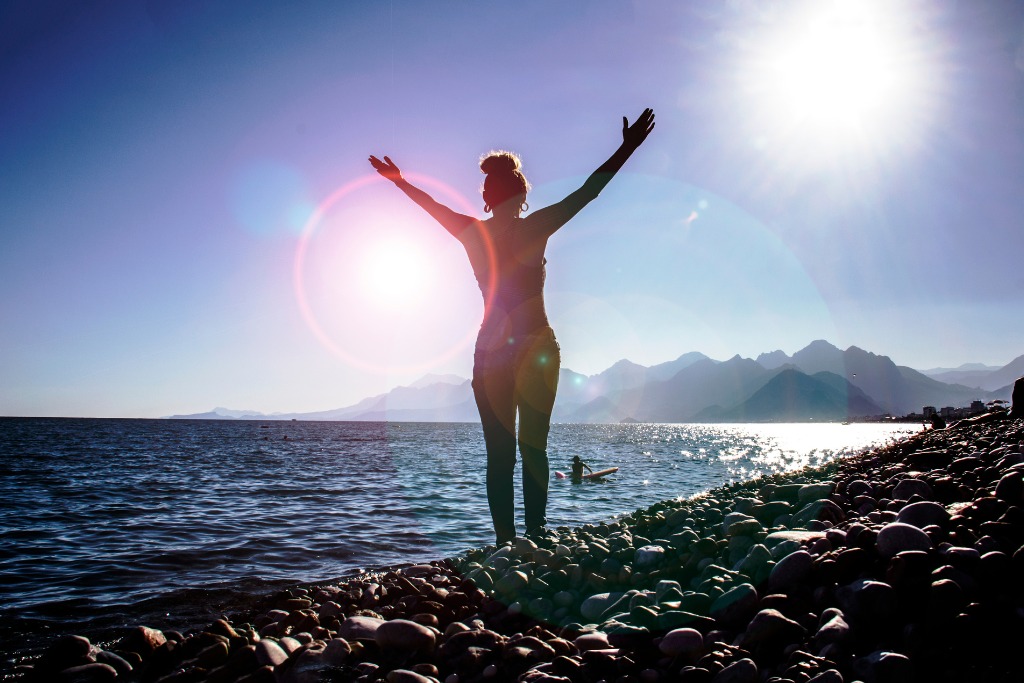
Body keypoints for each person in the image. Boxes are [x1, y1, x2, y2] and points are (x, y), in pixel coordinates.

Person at [369, 108, 655, 544]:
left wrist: (400, 182)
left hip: (491, 356)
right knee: (534, 449)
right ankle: (536, 536)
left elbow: (431, 206)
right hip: (537, 349)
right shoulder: (537, 226)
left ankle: (505, 544)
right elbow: (589, 191)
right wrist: (628, 147)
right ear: (521, 192)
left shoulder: (470, 231)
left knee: (499, 457)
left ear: (487, 195)